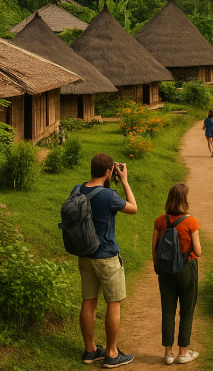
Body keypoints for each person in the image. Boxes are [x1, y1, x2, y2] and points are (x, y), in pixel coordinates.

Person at [75, 154, 137, 368]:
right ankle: (112, 353)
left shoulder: (78, 189)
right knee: (113, 304)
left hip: (85, 255)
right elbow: (133, 207)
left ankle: (91, 350)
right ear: (109, 172)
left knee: (89, 302)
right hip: (106, 257)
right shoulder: (108, 196)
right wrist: (126, 181)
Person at [153, 183, 202, 365]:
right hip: (186, 269)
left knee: (168, 310)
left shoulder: (160, 221)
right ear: (185, 200)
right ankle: (183, 352)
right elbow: (197, 250)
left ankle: (168, 353)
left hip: (165, 271)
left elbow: (155, 249)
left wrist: (159, 269)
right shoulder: (191, 222)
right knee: (187, 310)